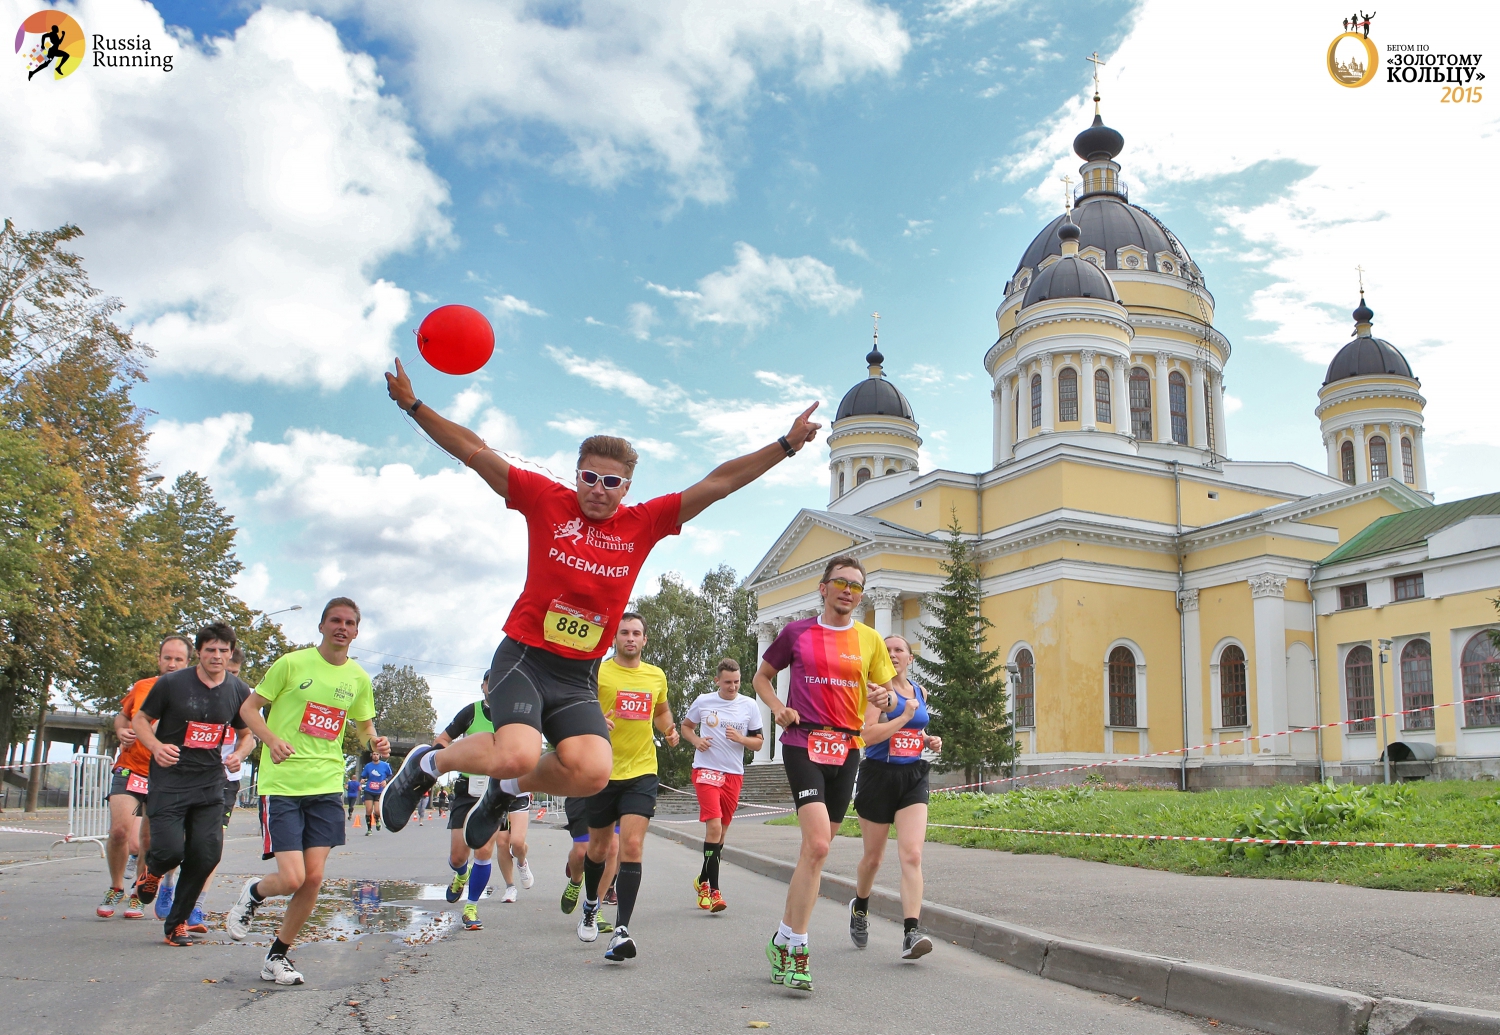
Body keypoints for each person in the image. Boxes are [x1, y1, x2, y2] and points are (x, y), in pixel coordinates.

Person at [375, 359, 821, 853]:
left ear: (626, 488)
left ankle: (505, 792)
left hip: (577, 673)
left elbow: (717, 484)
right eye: (589, 477)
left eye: (611, 482)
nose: (597, 489)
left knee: (590, 772)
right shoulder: (544, 498)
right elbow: (475, 451)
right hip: (526, 657)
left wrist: (785, 446)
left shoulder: (643, 523)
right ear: (577, 475)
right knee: (518, 752)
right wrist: (415, 407)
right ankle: (426, 764)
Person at [752, 556, 897, 992]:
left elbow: (886, 695)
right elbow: (762, 677)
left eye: (856, 585)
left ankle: (781, 936)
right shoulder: (796, 632)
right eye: (841, 583)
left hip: (847, 748)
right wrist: (778, 709)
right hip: (803, 742)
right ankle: (796, 947)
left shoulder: (870, 639)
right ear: (823, 588)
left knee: (815, 853)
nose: (849, 591)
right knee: (816, 844)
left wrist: (884, 699)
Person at [226, 598, 388, 985]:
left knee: (313, 878)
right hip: (282, 784)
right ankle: (255, 891)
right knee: (293, 878)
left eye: (350, 622)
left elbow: (364, 727)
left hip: (327, 785)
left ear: (357, 631)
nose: (342, 627)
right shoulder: (291, 664)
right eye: (335, 620)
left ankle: (277, 956)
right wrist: (270, 740)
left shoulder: (358, 678)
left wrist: (374, 743)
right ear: (321, 626)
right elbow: (250, 709)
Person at [129, 623, 254, 946]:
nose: (217, 656)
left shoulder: (238, 690)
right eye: (210, 650)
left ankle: (177, 923)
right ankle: (154, 870)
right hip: (170, 780)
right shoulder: (171, 684)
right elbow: (140, 720)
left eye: (223, 651)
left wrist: (239, 755)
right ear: (199, 652)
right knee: (170, 850)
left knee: (206, 854)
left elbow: (247, 736)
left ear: (230, 653)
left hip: (210, 783)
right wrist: (156, 747)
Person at [576, 614, 677, 961]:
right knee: (599, 849)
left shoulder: (655, 675)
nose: (630, 638)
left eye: (636, 633)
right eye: (624, 633)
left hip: (642, 770)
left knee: (631, 844)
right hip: (602, 768)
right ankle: (591, 903)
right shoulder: (598, 671)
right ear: (615, 638)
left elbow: (661, 711)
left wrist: (669, 729)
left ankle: (621, 929)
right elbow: (575, 706)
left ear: (645, 640)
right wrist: (591, 718)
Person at [850, 634, 941, 961]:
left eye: (899, 649)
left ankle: (910, 932)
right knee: (873, 859)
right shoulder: (876, 693)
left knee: (912, 855)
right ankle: (860, 906)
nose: (893, 654)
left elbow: (915, 730)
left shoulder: (919, 691)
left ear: (910, 658)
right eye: (887, 651)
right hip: (878, 775)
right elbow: (867, 735)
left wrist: (928, 739)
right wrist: (903, 718)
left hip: (913, 776)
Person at [430, 676, 536, 931]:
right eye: (491, 682)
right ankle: (461, 875)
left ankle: (471, 907)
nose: (496, 687)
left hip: (493, 792)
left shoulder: (513, 718)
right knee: (458, 856)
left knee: (484, 849)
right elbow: (444, 739)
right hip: (467, 789)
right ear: (484, 686)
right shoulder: (471, 712)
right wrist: (439, 754)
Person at [98, 635, 190, 920]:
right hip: (130, 767)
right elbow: (122, 716)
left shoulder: (193, 693)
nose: (172, 664)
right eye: (167, 658)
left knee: (148, 840)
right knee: (120, 832)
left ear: (188, 662)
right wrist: (121, 730)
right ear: (159, 659)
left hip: (165, 774)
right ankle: (115, 887)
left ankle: (138, 893)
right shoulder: (142, 687)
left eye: (178, 659)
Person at [681, 658, 763, 912]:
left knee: (721, 834)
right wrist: (696, 740)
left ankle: (702, 878)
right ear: (717, 680)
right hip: (706, 770)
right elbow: (686, 726)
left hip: (733, 774)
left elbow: (759, 742)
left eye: (737, 682)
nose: (733, 687)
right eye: (728, 682)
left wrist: (741, 738)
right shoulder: (704, 701)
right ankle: (713, 891)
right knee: (713, 826)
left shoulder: (749, 705)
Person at [559, 796, 618, 923]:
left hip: (615, 787)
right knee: (581, 853)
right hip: (583, 791)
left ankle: (595, 909)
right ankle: (576, 880)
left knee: (612, 848)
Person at [361, 751, 392, 834]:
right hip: (369, 790)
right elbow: (363, 776)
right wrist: (362, 780)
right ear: (372, 756)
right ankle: (369, 829)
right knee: (369, 809)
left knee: (377, 811)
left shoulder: (385, 765)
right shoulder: (368, 766)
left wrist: (385, 781)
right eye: (374, 754)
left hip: (379, 791)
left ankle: (377, 819)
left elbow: (390, 775)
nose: (375, 756)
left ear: (380, 755)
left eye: (377, 754)